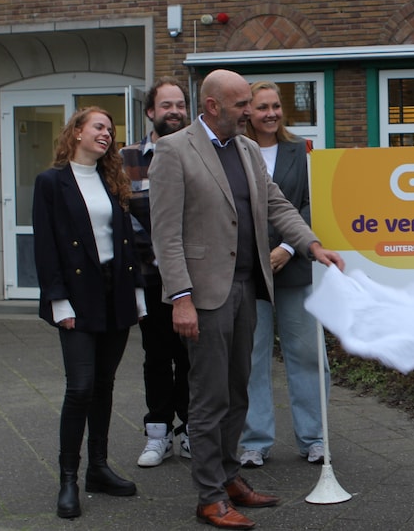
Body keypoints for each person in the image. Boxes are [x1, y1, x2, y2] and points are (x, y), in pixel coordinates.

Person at [149, 69, 345, 530]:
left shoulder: (247, 149)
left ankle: (230, 476)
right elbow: (166, 232)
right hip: (204, 295)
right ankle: (209, 496)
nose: (249, 112)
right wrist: (180, 298)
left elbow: (277, 204)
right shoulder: (174, 151)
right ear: (214, 105)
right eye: (241, 105)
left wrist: (313, 247)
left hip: (249, 286)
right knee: (209, 397)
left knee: (238, 391)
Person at [32, 107, 147, 519]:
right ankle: (68, 478)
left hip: (115, 291)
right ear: (76, 131)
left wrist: (136, 292)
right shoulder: (51, 182)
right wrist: (58, 301)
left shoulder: (112, 179)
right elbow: (45, 248)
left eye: (109, 130)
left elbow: (125, 241)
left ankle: (98, 469)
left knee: (104, 383)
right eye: (98, 127)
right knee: (80, 386)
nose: (106, 134)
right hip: (77, 296)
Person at [239, 81, 330, 468]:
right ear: (247, 112)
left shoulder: (301, 152)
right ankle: (254, 441)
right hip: (248, 272)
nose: (271, 114)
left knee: (307, 355)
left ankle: (314, 438)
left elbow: (313, 205)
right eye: (262, 107)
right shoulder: (234, 152)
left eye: (276, 106)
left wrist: (289, 248)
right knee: (251, 358)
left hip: (295, 270)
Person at [121, 76, 192, 468]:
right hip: (150, 279)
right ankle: (158, 432)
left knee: (190, 358)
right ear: (150, 112)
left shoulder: (200, 153)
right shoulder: (126, 159)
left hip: (193, 280)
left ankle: (189, 430)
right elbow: (124, 219)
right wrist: (161, 257)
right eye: (166, 105)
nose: (174, 112)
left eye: (180, 104)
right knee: (155, 356)